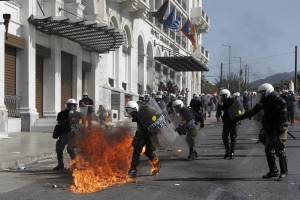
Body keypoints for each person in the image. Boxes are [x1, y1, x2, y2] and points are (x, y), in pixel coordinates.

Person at [235, 83, 288, 180]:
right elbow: (253, 111)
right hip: (269, 127)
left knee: (280, 150)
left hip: (279, 127)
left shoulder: (279, 100)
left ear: (267, 91)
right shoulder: (265, 99)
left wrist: (279, 128)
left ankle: (284, 172)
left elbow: (283, 117)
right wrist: (239, 118)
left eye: (262, 93)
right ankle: (273, 171)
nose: (261, 95)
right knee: (268, 149)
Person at [126, 101, 160, 178]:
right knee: (140, 151)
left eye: (128, 110)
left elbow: (149, 125)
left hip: (148, 134)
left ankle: (134, 170)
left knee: (144, 152)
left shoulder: (140, 113)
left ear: (133, 109)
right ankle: (133, 169)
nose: (128, 112)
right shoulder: (141, 112)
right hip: (147, 134)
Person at [53, 99, 82, 170]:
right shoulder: (61, 114)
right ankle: (60, 164)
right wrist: (68, 118)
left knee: (71, 150)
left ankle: (75, 165)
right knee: (59, 149)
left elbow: (82, 124)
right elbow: (59, 123)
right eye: (69, 105)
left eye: (73, 105)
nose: (71, 106)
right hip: (63, 134)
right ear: (67, 105)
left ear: (75, 106)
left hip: (73, 135)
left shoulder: (79, 114)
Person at [216, 89, 243, 159]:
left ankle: (232, 152)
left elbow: (241, 110)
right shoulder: (221, 103)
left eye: (222, 96)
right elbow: (218, 110)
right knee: (224, 136)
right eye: (220, 96)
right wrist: (218, 116)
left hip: (234, 121)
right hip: (226, 122)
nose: (221, 98)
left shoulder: (234, 101)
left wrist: (239, 116)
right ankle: (227, 150)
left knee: (233, 137)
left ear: (226, 95)